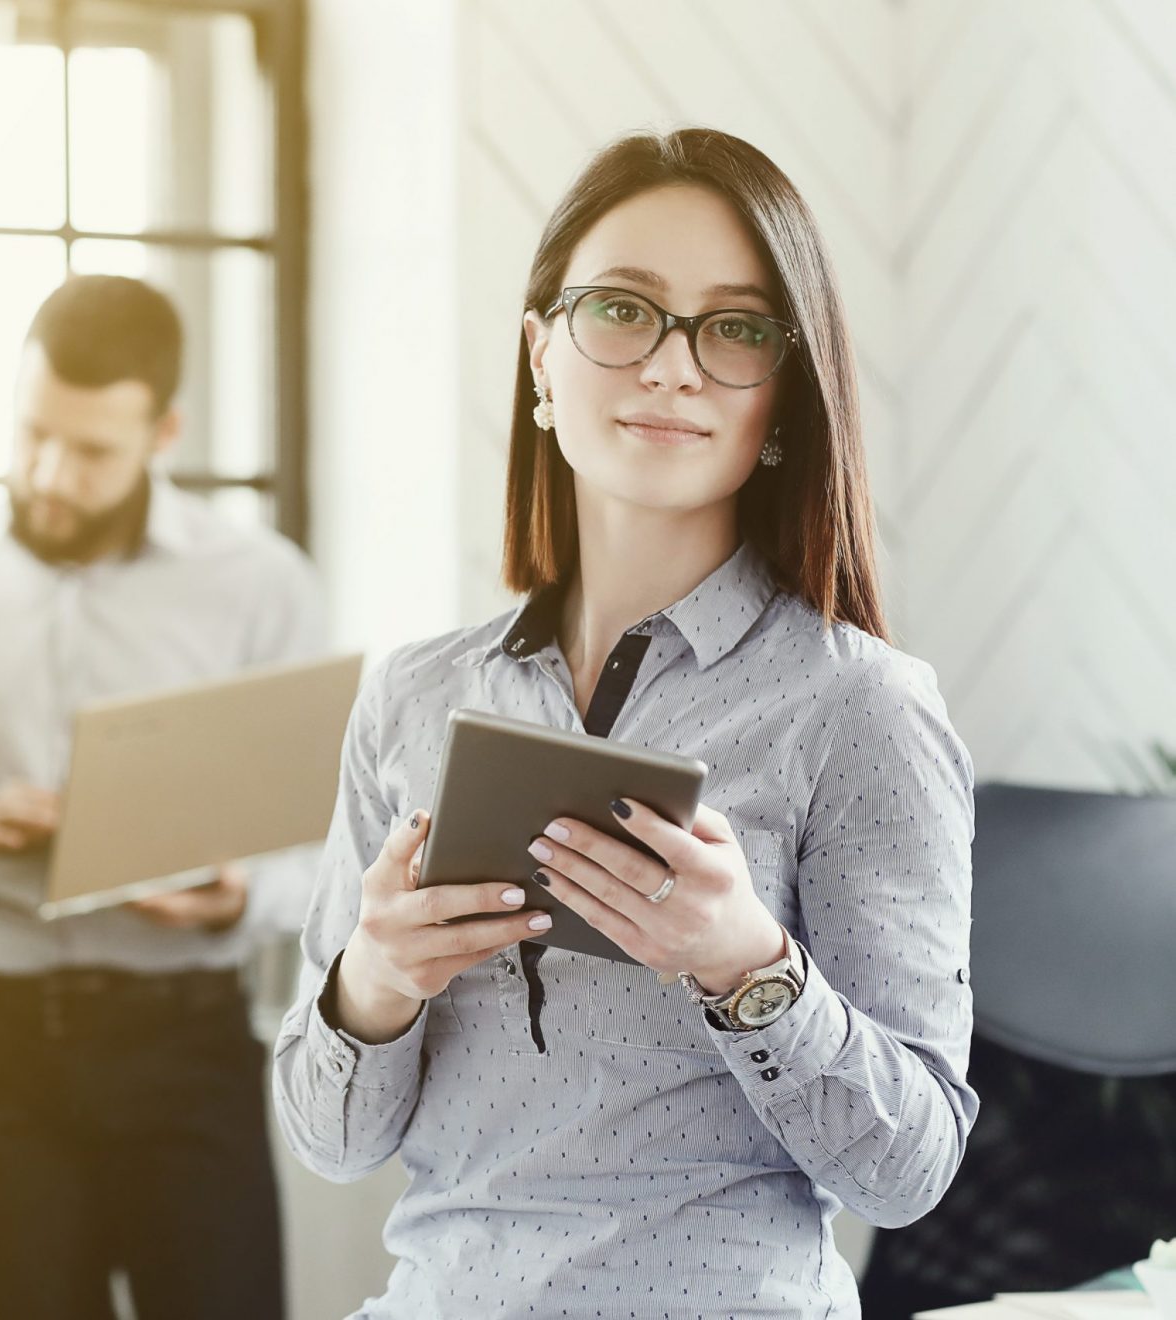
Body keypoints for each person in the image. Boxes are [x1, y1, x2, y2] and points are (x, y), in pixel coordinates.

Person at [272, 128, 978, 1318]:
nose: (671, 368)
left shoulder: (862, 710)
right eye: (623, 311)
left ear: (784, 396)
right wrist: (378, 975)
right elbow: (329, 1138)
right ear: (542, 356)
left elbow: (907, 1173)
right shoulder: (411, 694)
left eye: (737, 329)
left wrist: (747, 965)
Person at [0, 274, 324, 1320]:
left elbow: (333, 851)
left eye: (93, 451)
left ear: (165, 431)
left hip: (188, 1044)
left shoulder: (261, 585)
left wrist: (241, 895)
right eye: (32, 435)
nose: (51, 475)